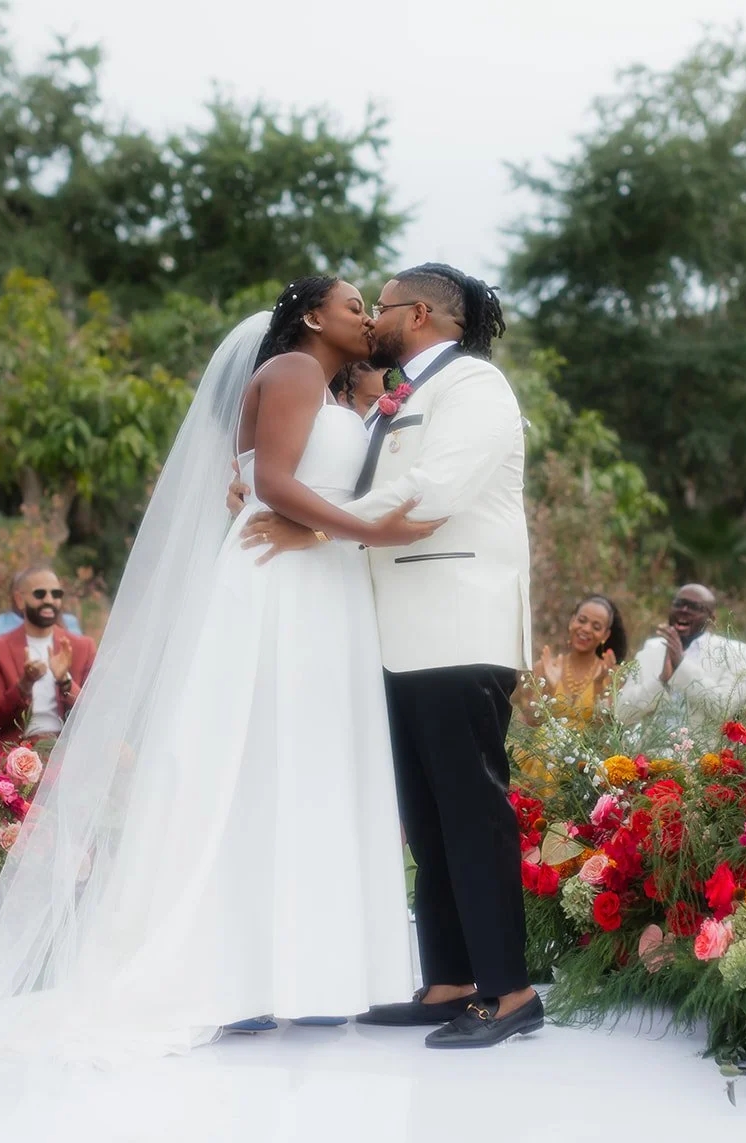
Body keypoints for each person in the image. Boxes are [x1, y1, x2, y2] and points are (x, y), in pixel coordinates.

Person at [0, 278, 450, 1140]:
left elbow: (261, 478)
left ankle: (292, 971)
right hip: (284, 585)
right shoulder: (296, 369)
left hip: (318, 586)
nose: (365, 316)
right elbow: (276, 485)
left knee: (297, 771)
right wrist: (364, 529)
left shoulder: (335, 386)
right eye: (351, 303)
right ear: (308, 317)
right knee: (260, 765)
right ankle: (243, 971)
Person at [238, 263, 539, 1047]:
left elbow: (432, 494)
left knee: (473, 810)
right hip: (394, 631)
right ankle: (448, 979)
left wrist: (317, 525)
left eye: (386, 304)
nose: (374, 317)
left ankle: (509, 992)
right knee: (428, 812)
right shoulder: (390, 397)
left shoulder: (474, 386)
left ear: (422, 314)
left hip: (455, 624)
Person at [0, 567, 98, 746]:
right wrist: (25, 683)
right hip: (15, 751)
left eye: (56, 594)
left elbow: (93, 714)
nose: (49, 600)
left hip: (67, 750)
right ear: (20, 600)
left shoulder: (82, 647)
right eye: (40, 594)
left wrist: (65, 681)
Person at [613, 585, 746, 731]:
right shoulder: (651, 649)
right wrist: (660, 682)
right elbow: (622, 714)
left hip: (704, 753)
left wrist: (681, 666)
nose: (684, 610)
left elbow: (725, 710)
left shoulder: (734, 651)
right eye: (679, 604)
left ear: (712, 617)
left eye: (695, 607)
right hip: (648, 752)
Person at [515, 594, 627, 728]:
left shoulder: (614, 675)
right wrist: (548, 688)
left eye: (596, 627)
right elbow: (530, 722)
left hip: (591, 748)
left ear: (605, 635)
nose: (586, 629)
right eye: (582, 620)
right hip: (544, 747)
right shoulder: (544, 667)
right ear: (572, 621)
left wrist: (598, 686)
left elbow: (607, 730)